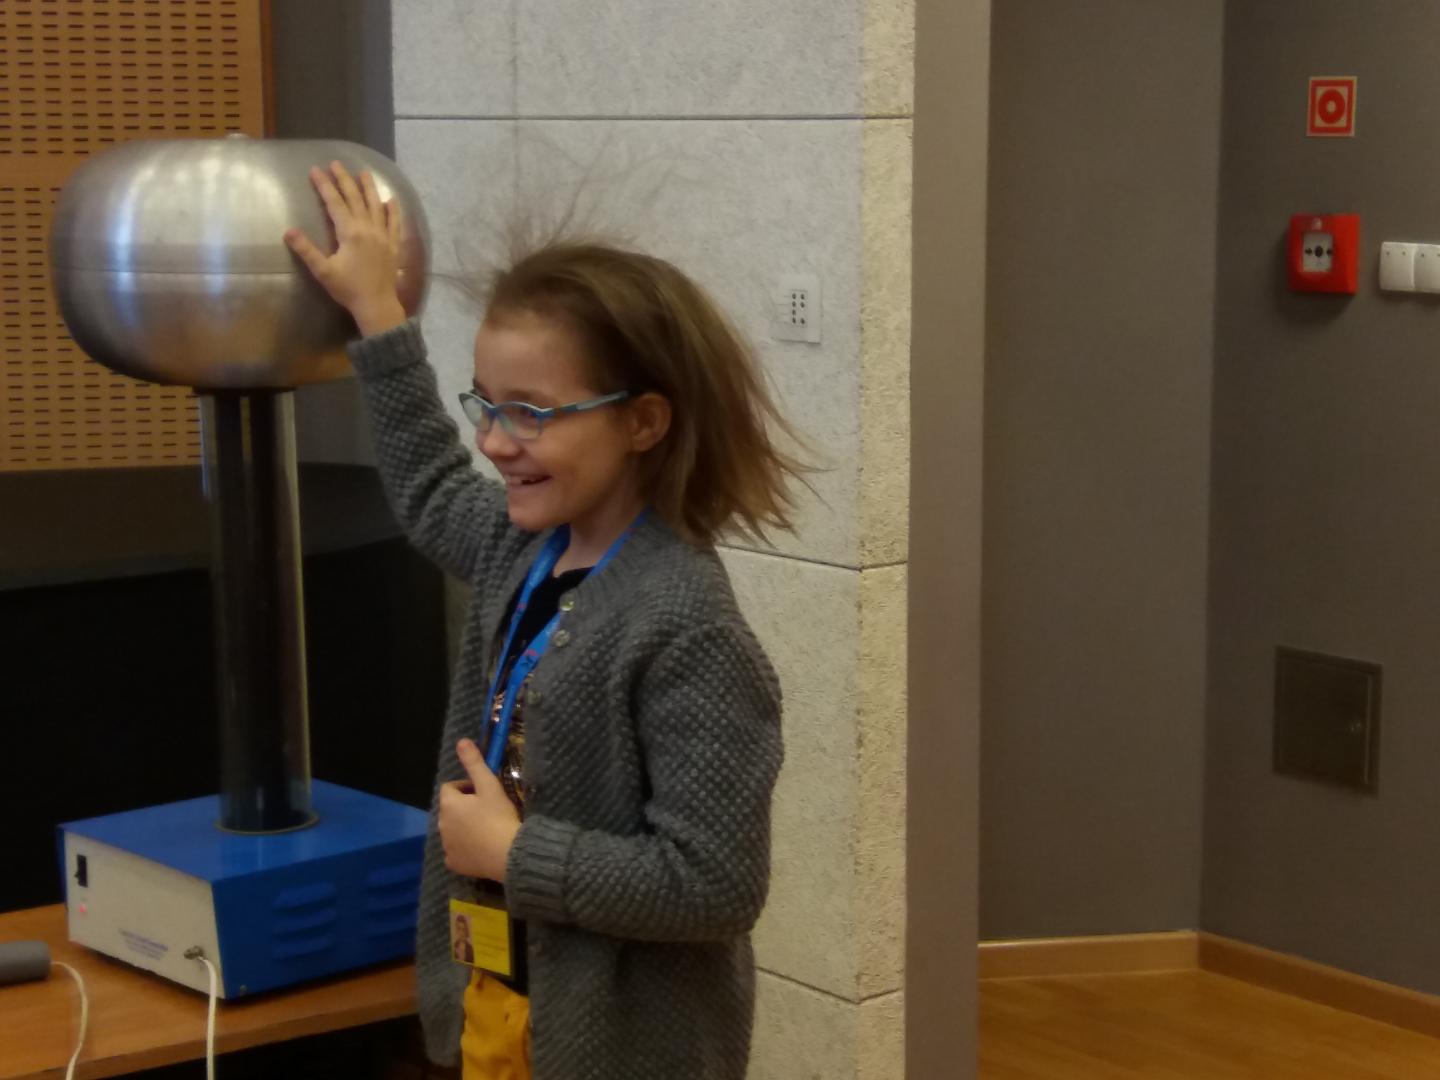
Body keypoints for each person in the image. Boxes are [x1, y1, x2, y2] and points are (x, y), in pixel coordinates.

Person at [284, 162, 802, 1080]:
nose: (493, 440)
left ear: (643, 422)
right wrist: (378, 315)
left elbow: (715, 886)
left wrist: (516, 853)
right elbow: (431, 484)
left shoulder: (687, 627)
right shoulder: (521, 546)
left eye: (529, 413)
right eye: (486, 404)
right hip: (500, 1008)